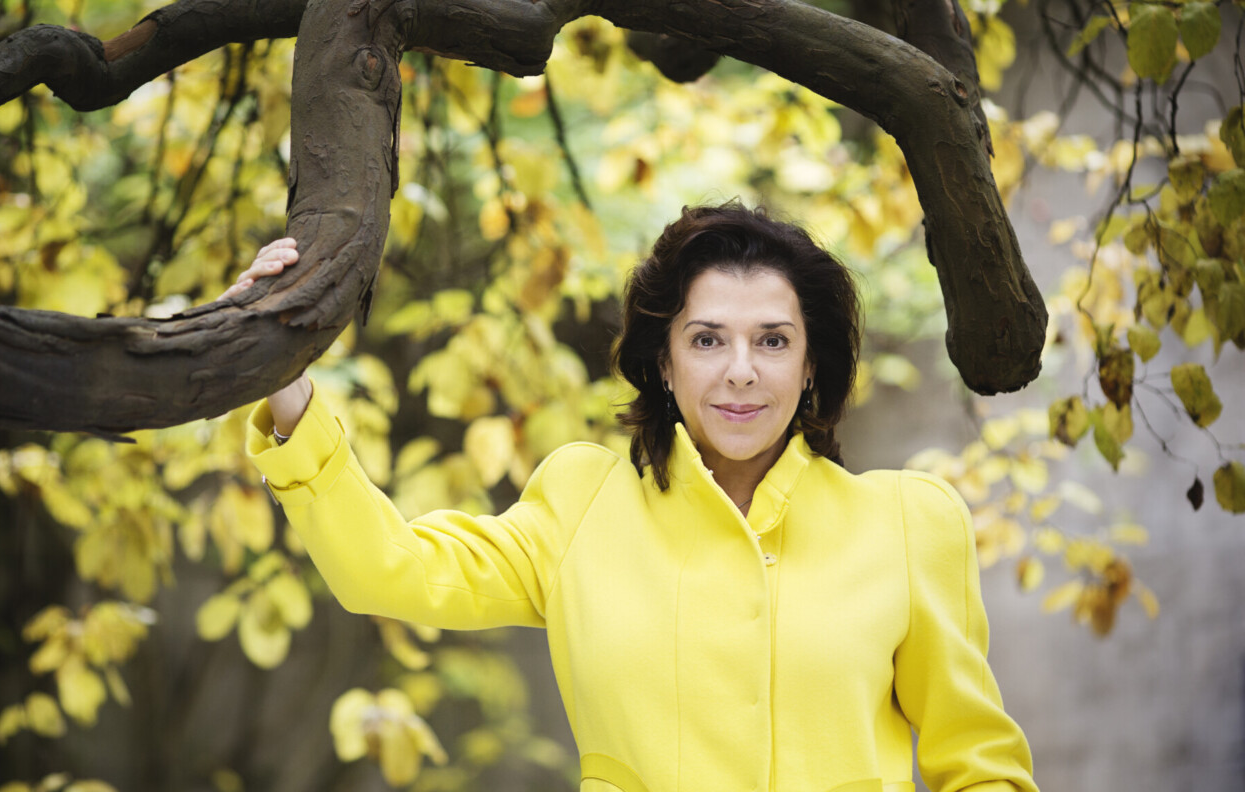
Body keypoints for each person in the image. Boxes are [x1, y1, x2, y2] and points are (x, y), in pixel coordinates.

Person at [226, 203, 1038, 792]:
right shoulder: (582, 503)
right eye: (708, 339)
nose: (741, 372)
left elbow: (982, 767)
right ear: (664, 360)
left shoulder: (908, 524)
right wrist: (283, 380)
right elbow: (387, 570)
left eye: (774, 341)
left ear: (812, 364)